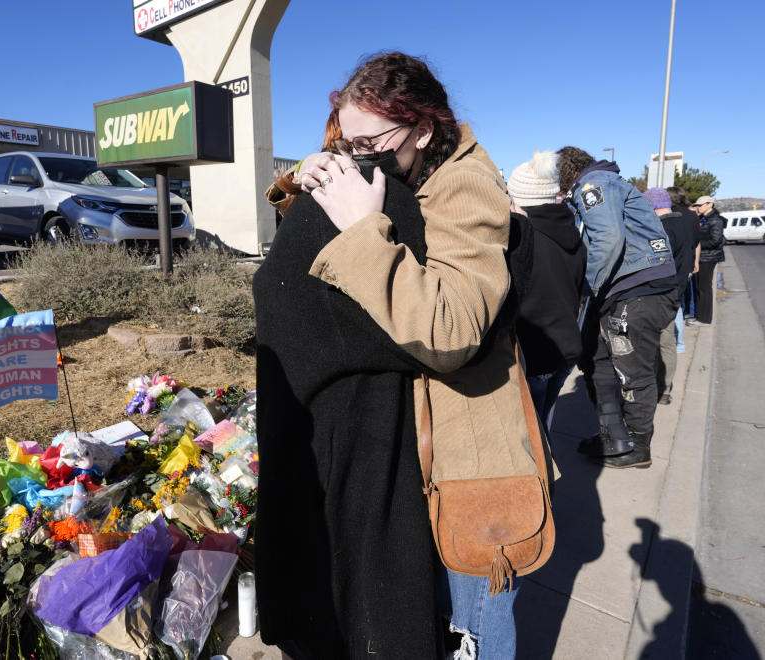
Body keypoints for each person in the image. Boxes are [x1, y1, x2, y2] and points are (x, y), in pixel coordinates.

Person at [262, 52, 539, 659]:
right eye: (344, 137)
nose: (357, 153)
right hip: (415, 429)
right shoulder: (405, 165)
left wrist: (362, 228)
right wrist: (311, 181)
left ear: (423, 128)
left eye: (370, 140)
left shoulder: (464, 184)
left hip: (464, 437)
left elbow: (452, 329)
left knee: (475, 612)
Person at [558, 147, 679, 469]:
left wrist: (587, 289)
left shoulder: (592, 185)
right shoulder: (607, 183)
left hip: (636, 289)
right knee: (595, 357)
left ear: (566, 172)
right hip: (639, 286)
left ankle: (637, 447)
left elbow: (608, 239)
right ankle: (615, 436)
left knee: (632, 370)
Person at [506, 150, 586, 432]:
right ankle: (549, 476)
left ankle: (544, 477)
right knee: (544, 433)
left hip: (534, 353)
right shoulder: (572, 230)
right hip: (565, 349)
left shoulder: (521, 235)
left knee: (530, 441)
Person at [644, 188, 697, 406]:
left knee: (657, 342)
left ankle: (658, 388)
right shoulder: (685, 223)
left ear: (652, 206)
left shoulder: (661, 229)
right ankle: (665, 388)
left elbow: (654, 264)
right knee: (667, 342)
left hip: (659, 294)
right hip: (677, 289)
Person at [666, 186, 701, 356]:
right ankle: (679, 343)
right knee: (678, 303)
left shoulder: (670, 216)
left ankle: (673, 342)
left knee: (670, 303)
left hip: (672, 264)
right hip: (687, 263)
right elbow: (696, 242)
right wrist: (695, 261)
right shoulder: (692, 215)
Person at [690, 195, 725, 325]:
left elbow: (716, 241)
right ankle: (699, 316)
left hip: (708, 257)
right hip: (703, 257)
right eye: (697, 205)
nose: (698, 207)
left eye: (701, 205)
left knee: (704, 288)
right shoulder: (704, 219)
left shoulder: (715, 220)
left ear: (710, 204)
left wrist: (697, 244)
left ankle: (704, 318)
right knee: (699, 288)